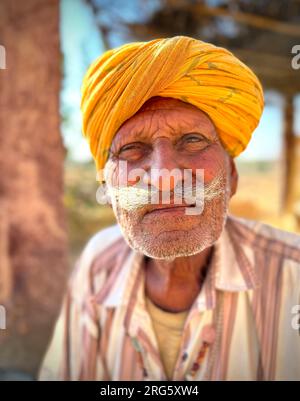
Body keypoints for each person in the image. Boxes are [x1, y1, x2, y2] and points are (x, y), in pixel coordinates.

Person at [38, 36, 300, 381]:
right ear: (110, 188)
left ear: (232, 176)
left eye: (192, 141)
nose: (163, 177)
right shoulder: (97, 265)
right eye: (132, 148)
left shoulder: (292, 275)